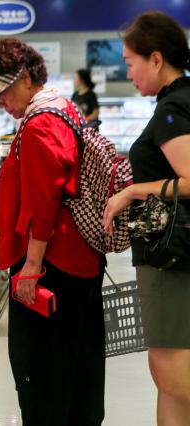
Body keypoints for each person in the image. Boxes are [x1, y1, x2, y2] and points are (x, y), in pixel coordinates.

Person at [0, 38, 105, 425]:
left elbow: (44, 205)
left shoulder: (40, 124)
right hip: (79, 263)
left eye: (3, 92)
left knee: (42, 379)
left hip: (50, 268)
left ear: (25, 78)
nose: (0, 103)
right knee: (77, 376)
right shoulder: (62, 108)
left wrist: (31, 268)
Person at [102, 12, 190, 424]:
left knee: (174, 373)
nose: (128, 71)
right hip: (168, 258)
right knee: (165, 372)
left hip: (174, 259)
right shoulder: (175, 103)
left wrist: (134, 190)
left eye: (131, 61)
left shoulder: (174, 109)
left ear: (156, 58)